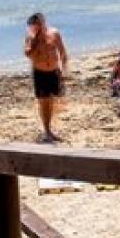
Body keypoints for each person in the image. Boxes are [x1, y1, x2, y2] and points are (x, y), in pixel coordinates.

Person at [24, 12, 69, 142]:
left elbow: (62, 52)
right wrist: (35, 41)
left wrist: (64, 70)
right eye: (34, 25)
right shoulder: (30, 38)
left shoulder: (54, 33)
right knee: (43, 102)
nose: (37, 27)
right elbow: (28, 54)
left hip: (54, 71)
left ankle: (50, 129)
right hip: (40, 73)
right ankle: (47, 131)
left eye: (39, 24)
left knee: (52, 101)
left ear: (43, 22)